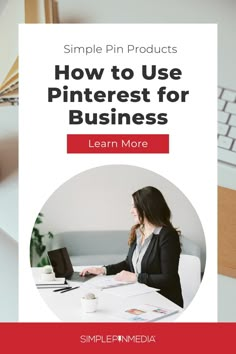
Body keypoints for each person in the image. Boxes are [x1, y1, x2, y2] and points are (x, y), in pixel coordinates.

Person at [80, 186, 183, 308]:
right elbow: (129, 263)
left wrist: (136, 277)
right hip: (141, 297)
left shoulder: (167, 235)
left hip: (164, 302)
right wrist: (102, 270)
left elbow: (168, 278)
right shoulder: (138, 231)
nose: (131, 211)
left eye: (134, 206)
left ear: (146, 208)